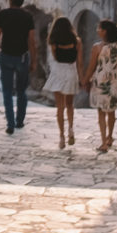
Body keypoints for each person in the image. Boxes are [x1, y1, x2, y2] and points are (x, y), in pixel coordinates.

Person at [0, 0, 39, 135]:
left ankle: (10, 123)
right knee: (21, 91)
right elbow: (31, 41)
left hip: (6, 56)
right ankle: (20, 121)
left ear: (10, 0)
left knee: (7, 91)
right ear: (22, 1)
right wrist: (34, 60)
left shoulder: (3, 14)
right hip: (22, 57)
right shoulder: (28, 17)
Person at [89, 19, 117, 153]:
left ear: (104, 31)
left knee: (101, 111)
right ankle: (110, 137)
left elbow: (92, 66)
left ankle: (103, 142)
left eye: (99, 28)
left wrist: (84, 79)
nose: (97, 30)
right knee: (111, 111)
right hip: (115, 81)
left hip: (101, 81)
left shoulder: (97, 47)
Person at [44, 15, 82, 146]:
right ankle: (71, 129)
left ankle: (61, 137)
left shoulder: (53, 42)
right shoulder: (77, 41)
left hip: (58, 72)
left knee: (60, 107)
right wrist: (82, 78)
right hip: (71, 72)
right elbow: (79, 62)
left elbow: (55, 58)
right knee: (70, 104)